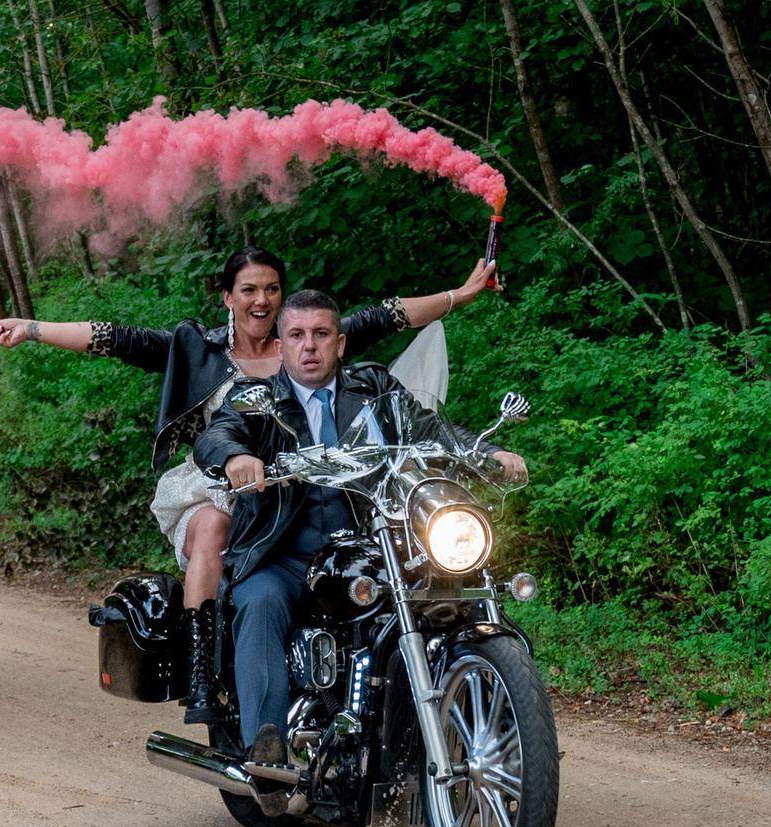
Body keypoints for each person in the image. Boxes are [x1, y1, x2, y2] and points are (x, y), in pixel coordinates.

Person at [0, 247, 493, 716]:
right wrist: (32, 328)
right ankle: (202, 673)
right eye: (248, 289)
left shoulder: (305, 339)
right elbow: (116, 339)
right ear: (228, 297)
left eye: (272, 288)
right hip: (219, 477)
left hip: (307, 483)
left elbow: (389, 315)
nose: (262, 299)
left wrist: (461, 294)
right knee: (213, 528)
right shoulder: (197, 349)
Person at [194, 287, 527, 777]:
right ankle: (265, 748)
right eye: (297, 335)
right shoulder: (257, 398)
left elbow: (430, 428)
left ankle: (504, 729)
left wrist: (486, 453)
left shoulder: (374, 388)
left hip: (373, 548)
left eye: (321, 334)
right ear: (282, 345)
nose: (309, 346)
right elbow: (217, 434)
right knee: (259, 602)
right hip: (285, 555)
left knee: (455, 592)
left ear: (341, 343)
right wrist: (236, 456)